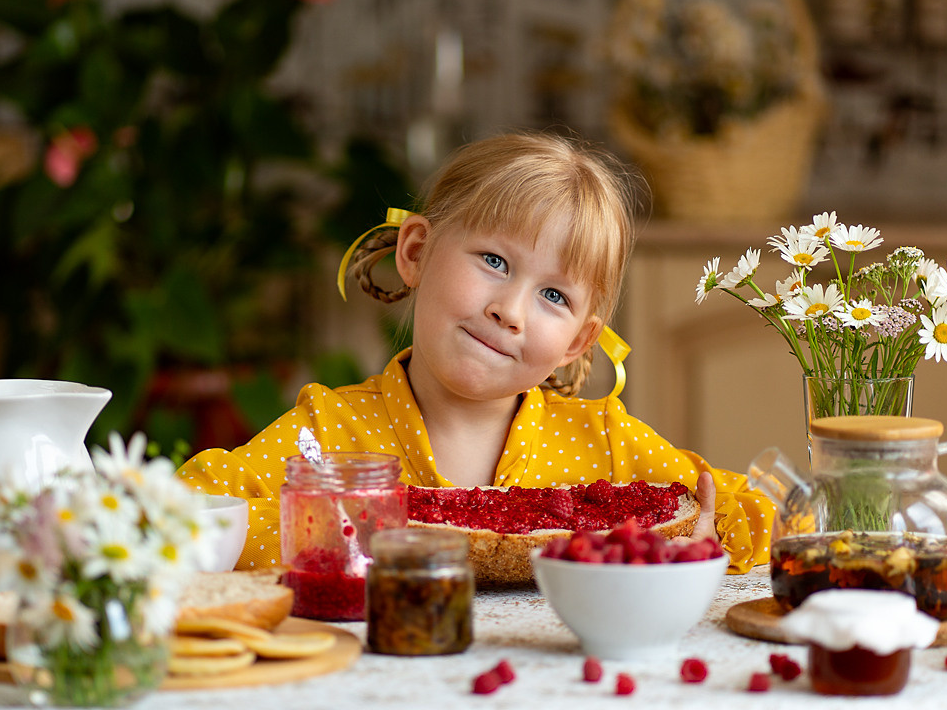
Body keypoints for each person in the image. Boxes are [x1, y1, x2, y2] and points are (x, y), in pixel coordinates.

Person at [178, 132, 772, 573]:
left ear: (577, 343)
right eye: (494, 261)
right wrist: (327, 527)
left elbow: (752, 514)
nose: (510, 311)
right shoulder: (327, 431)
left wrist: (697, 536)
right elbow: (185, 513)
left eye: (553, 296)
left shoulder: (606, 442)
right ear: (415, 252)